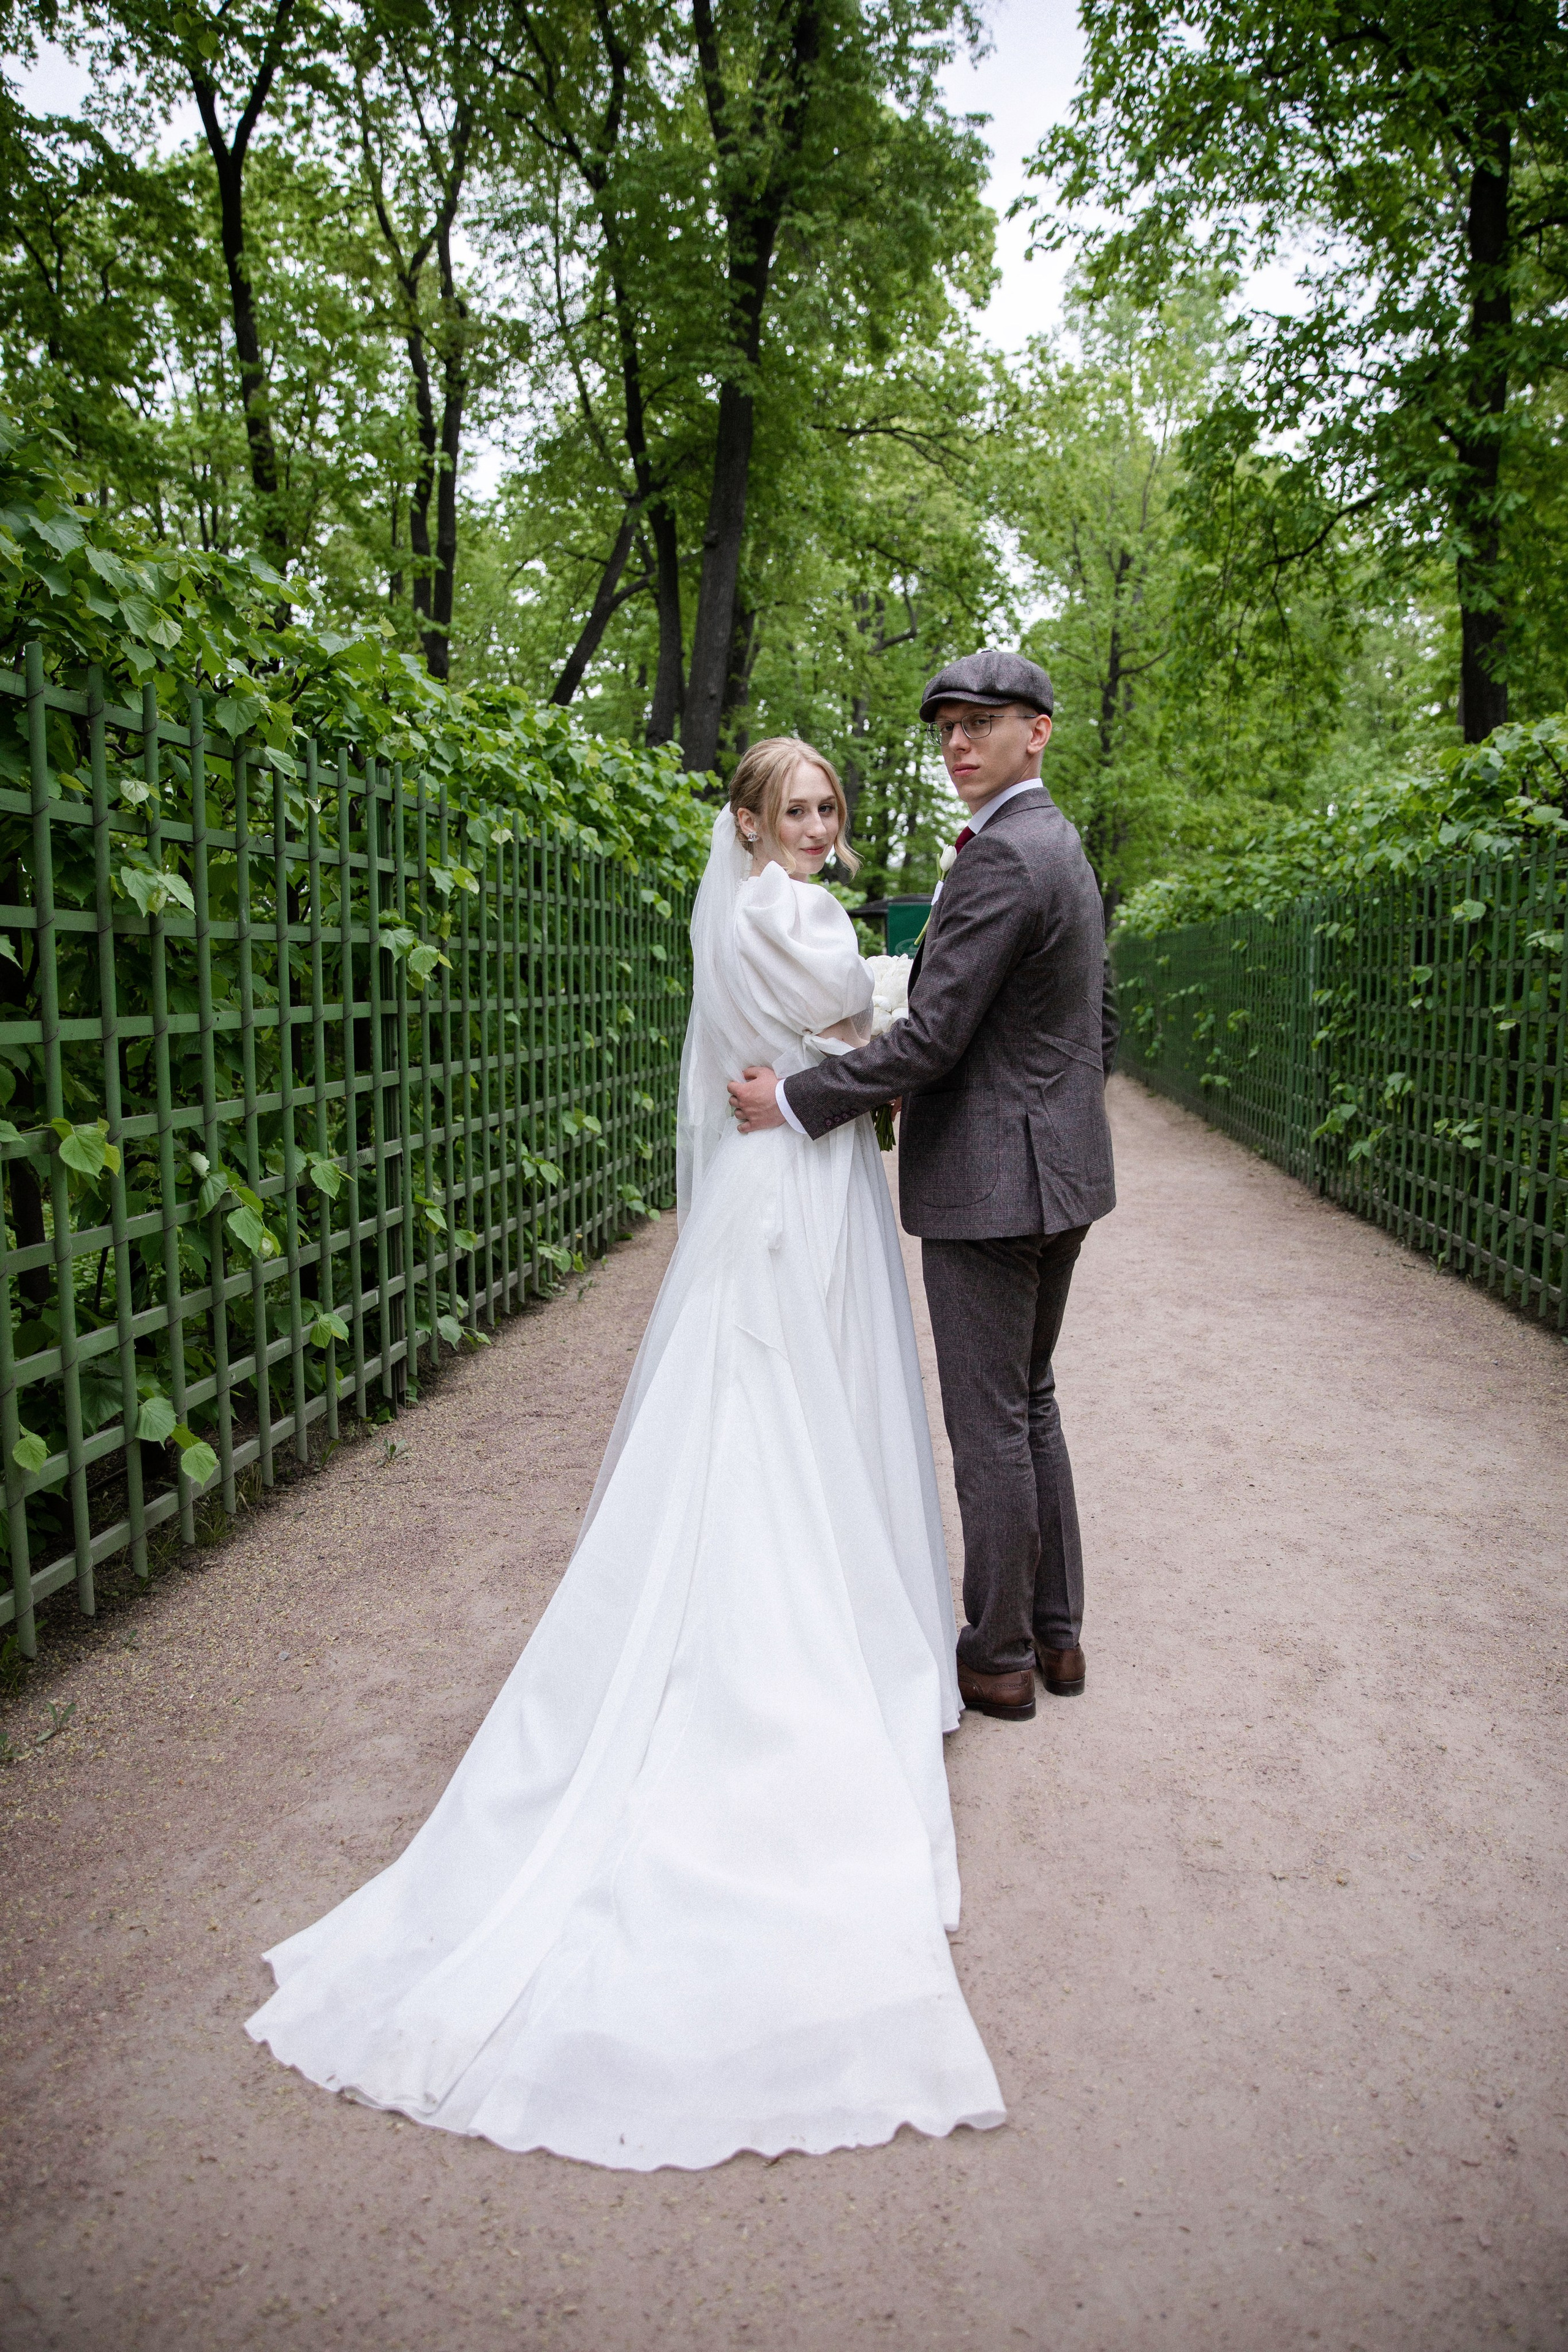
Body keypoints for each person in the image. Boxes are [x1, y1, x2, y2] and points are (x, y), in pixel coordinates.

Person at [247, 736, 1004, 2171]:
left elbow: (828, 1035)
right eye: (796, 808)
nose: (818, 825)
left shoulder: (735, 912)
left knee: (752, 1401)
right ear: (750, 821)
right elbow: (862, 1015)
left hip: (771, 1167)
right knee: (805, 1397)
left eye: (828, 806)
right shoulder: (791, 915)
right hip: (802, 1173)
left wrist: (866, 1018)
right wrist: (914, 975)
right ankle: (818, 1631)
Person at [729, 651, 1117, 1726]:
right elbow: (1098, 1022)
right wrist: (1058, 1115)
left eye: (983, 723)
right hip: (1063, 1176)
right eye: (947, 724)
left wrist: (803, 1097)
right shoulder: (1062, 846)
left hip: (993, 1189)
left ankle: (996, 1656)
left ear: (1036, 731)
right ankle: (1058, 1637)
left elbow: (937, 1038)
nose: (959, 742)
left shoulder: (1001, 857)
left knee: (992, 1420)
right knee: (1030, 1404)